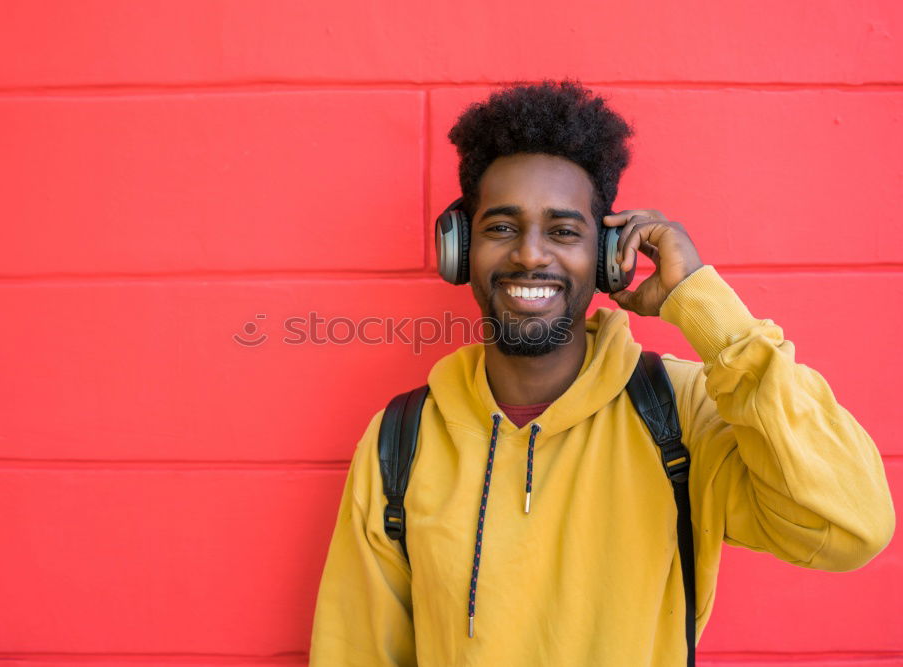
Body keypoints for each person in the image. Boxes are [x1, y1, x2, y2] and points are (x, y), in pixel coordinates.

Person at [308, 80, 895, 666]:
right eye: (501, 228)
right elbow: (356, 651)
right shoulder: (399, 439)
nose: (531, 255)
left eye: (563, 231)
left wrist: (711, 315)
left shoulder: (683, 412)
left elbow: (852, 527)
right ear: (460, 250)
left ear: (612, 260)